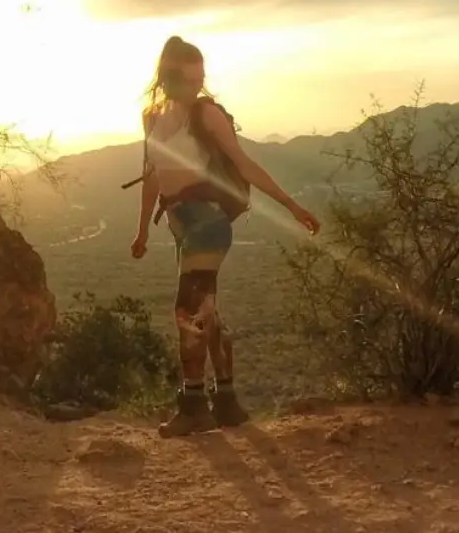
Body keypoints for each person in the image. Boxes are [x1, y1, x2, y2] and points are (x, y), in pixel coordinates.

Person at [130, 35, 320, 437]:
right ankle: (228, 402)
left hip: (208, 221)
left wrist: (290, 205)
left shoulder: (207, 114)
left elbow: (243, 164)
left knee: (187, 313)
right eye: (188, 78)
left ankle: (195, 405)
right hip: (180, 222)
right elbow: (152, 176)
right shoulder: (152, 117)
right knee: (206, 313)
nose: (197, 85)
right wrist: (143, 228)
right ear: (166, 77)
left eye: (200, 78)